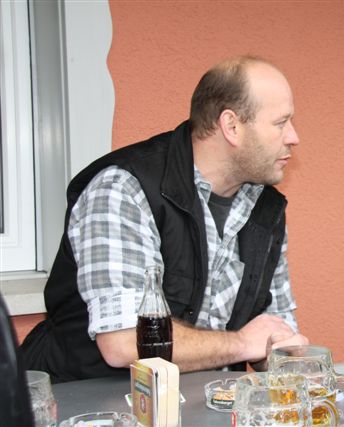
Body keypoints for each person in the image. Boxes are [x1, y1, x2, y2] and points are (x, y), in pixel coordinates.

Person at [21, 55, 309, 382]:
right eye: (280, 123)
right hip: (83, 399)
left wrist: (278, 350)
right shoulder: (125, 188)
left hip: (191, 400)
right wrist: (243, 344)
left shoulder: (265, 207)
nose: (293, 137)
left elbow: (275, 330)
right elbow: (124, 341)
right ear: (231, 126)